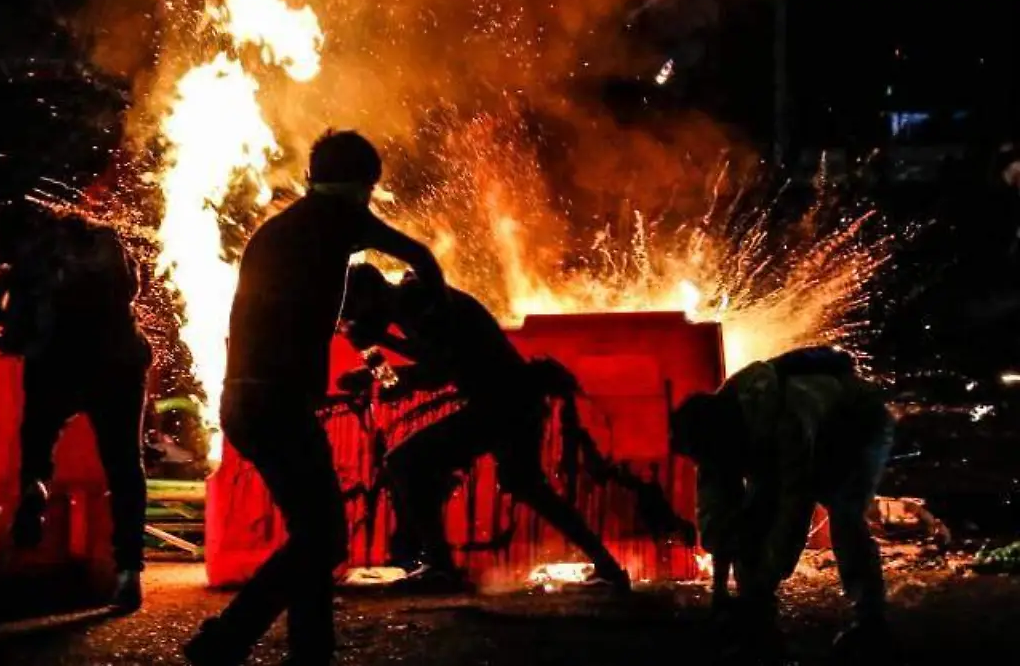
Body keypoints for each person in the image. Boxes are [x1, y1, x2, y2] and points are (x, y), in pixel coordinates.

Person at [184, 130, 446, 666]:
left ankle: (311, 650)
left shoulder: (281, 228)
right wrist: (435, 310)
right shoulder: (339, 216)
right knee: (325, 538)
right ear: (363, 185)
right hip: (278, 403)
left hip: (245, 401)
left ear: (310, 177)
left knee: (311, 533)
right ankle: (227, 638)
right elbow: (416, 253)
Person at [336, 264, 632, 592]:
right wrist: (369, 354)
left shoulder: (419, 301)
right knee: (529, 486)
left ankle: (441, 567)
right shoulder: (411, 306)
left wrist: (377, 346)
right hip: (508, 401)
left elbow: (436, 371)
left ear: (369, 296)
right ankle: (608, 567)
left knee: (404, 463)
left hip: (501, 402)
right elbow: (401, 382)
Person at [0, 207, 153, 612]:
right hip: (120, 363)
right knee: (124, 464)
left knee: (37, 439)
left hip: (55, 364)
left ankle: (35, 485)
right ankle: (129, 573)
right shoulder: (106, 239)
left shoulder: (31, 258)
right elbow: (132, 290)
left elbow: (16, 331)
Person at [670, 346, 894, 663]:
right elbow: (719, 511)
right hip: (799, 436)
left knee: (844, 512)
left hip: (859, 428)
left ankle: (872, 623)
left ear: (721, 437)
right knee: (753, 514)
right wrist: (719, 591)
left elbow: (794, 509)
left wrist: (765, 581)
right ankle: (757, 625)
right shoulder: (715, 428)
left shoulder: (786, 419)